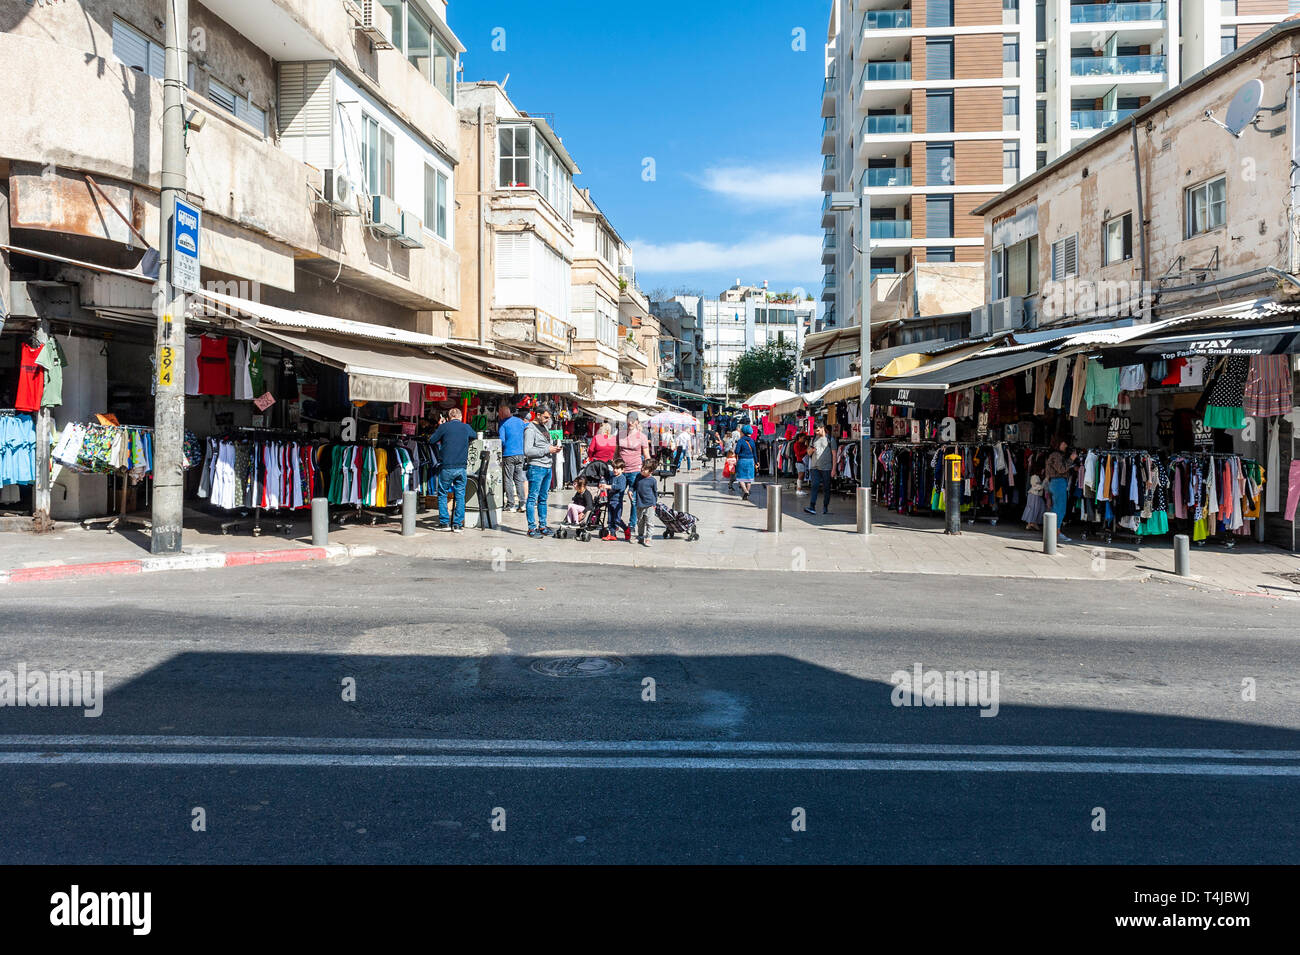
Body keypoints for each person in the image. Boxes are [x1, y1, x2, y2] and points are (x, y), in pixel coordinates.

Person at [429, 408, 478, 532]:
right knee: (460, 495)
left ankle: (444, 523)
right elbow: (475, 435)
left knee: (442, 493)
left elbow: (431, 440)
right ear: (460, 417)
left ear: (449, 417)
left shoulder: (444, 427)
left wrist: (440, 426)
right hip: (461, 467)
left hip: (446, 466)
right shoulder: (465, 427)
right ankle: (457, 525)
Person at [524, 408, 562, 538]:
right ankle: (531, 528)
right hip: (536, 467)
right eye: (545, 417)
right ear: (538, 415)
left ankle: (543, 525)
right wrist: (547, 449)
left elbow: (545, 446)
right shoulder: (530, 429)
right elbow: (527, 451)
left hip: (547, 466)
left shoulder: (544, 428)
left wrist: (553, 449)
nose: (547, 420)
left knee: (543, 498)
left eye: (548, 418)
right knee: (532, 498)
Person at [1044, 437, 1078, 542]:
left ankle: (1053, 531)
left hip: (1055, 482)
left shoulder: (1055, 455)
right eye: (1063, 444)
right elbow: (1061, 469)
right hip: (1058, 482)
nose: (1065, 446)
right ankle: (1056, 532)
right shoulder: (1056, 455)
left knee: (1056, 507)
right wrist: (1071, 459)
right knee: (1060, 508)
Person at [497, 402, 527, 513]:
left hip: (508, 455)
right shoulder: (520, 421)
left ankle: (511, 504)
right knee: (519, 479)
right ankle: (522, 503)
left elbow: (502, 440)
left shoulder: (503, 424)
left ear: (502, 413)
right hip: (520, 454)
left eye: (499, 413)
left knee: (508, 479)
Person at [803, 424, 834, 516]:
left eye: (817, 430)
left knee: (826, 488)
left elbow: (835, 454)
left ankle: (825, 507)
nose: (816, 432)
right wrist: (811, 450)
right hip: (814, 467)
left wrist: (834, 469)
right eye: (815, 431)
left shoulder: (830, 440)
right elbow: (808, 453)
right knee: (814, 486)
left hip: (826, 467)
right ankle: (812, 506)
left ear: (822, 428)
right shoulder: (813, 439)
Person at [601, 460, 631, 541]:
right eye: (614, 468)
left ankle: (626, 529)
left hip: (617, 501)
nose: (615, 470)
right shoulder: (612, 477)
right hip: (610, 500)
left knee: (617, 519)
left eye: (617, 468)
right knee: (610, 519)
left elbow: (619, 487)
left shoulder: (622, 478)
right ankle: (612, 534)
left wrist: (608, 486)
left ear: (622, 470)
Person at [632, 462, 659, 546]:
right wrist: (630, 490)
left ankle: (648, 538)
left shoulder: (652, 480)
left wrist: (654, 503)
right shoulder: (638, 476)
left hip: (649, 504)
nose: (642, 470)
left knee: (649, 522)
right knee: (640, 521)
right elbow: (634, 486)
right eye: (642, 468)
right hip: (639, 503)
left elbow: (655, 493)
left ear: (651, 471)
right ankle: (640, 536)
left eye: (645, 469)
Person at [734, 424, 758, 500]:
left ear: (743, 432)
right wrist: (756, 462)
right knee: (749, 478)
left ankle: (745, 491)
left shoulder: (740, 441)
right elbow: (754, 453)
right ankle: (747, 491)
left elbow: (737, 451)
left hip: (742, 461)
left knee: (741, 478)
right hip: (751, 461)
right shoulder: (752, 441)